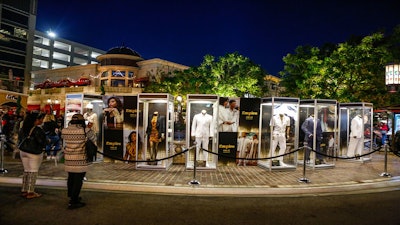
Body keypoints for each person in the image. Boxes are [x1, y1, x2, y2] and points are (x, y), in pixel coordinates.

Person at [61, 114, 96, 209]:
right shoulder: (85, 131)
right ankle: (74, 201)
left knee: (71, 178)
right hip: (80, 159)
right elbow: (93, 138)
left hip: (69, 158)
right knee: (78, 180)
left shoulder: (65, 130)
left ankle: (71, 196)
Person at [18, 111, 46, 199]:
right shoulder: (37, 129)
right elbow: (42, 141)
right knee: (33, 171)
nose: (42, 121)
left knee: (26, 170)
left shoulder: (23, 128)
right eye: (41, 119)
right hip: (34, 152)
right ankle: (31, 192)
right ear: (36, 120)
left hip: (23, 151)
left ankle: (24, 190)